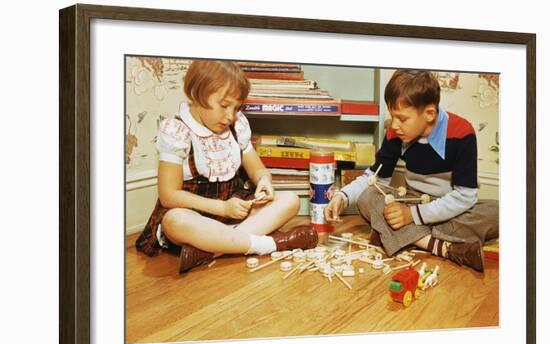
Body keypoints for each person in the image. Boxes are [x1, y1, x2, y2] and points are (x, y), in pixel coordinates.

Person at [136, 60, 318, 273]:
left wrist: (264, 181)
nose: (231, 116)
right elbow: (169, 195)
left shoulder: (237, 125)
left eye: (237, 107)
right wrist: (222, 207)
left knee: (290, 200)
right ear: (197, 94)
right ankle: (270, 244)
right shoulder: (177, 131)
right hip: (197, 216)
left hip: (235, 216)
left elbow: (257, 169)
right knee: (174, 221)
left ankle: (212, 249)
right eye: (223, 105)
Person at [324, 70, 498, 272]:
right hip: (411, 200)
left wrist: (413, 216)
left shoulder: (462, 133)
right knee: (367, 197)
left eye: (402, 118)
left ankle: (395, 234)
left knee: (497, 212)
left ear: (429, 114)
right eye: (392, 116)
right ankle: (443, 247)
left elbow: (464, 197)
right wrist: (343, 196)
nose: (394, 125)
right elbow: (375, 179)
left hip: (448, 207)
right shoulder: (395, 133)